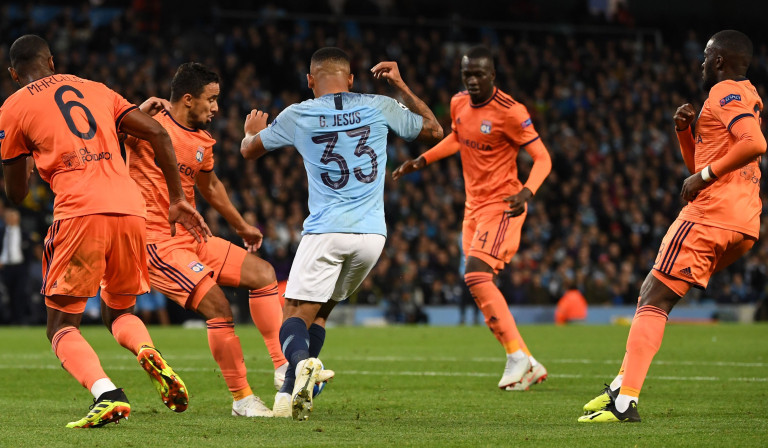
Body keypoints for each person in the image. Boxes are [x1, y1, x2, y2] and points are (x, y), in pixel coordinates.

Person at [0, 35, 211, 428]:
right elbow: (159, 134)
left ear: (14, 73)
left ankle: (107, 394)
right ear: (52, 60)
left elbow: (16, 194)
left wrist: (27, 164)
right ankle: (146, 348)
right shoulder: (96, 89)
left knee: (61, 325)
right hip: (133, 209)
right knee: (119, 309)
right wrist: (178, 198)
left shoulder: (13, 107)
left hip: (80, 212)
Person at [240, 47, 443, 420]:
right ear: (351, 79)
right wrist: (400, 85)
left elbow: (249, 152)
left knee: (292, 312)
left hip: (326, 231)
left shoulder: (298, 113)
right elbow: (434, 129)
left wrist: (250, 132)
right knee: (320, 312)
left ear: (310, 81)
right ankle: (288, 396)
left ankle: (300, 365)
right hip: (372, 237)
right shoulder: (379, 104)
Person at [579, 30, 767, 423]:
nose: (700, 63)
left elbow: (754, 143)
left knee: (653, 297)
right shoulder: (744, 95)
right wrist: (685, 134)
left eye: (705, 56)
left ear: (719, 61)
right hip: (744, 225)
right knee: (657, 294)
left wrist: (705, 176)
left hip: (712, 215)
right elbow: (699, 163)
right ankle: (620, 385)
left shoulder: (724, 92)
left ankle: (625, 401)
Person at [125, 62, 286, 417]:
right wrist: (136, 112)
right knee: (218, 307)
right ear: (187, 99)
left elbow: (210, 186)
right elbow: (102, 136)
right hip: (157, 241)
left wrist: (242, 226)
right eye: (211, 100)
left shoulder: (202, 140)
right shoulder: (147, 126)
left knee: (263, 275)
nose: (216, 108)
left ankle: (281, 368)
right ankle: (242, 399)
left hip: (194, 238)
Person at [392, 45, 552, 391]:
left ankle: (516, 357)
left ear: (492, 75)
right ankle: (528, 361)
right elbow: (457, 137)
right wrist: (422, 160)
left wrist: (527, 192)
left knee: (477, 276)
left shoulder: (511, 111)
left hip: (503, 204)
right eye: (468, 75)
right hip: (472, 209)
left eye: (480, 74)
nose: (474, 81)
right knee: (478, 287)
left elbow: (542, 158)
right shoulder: (458, 103)